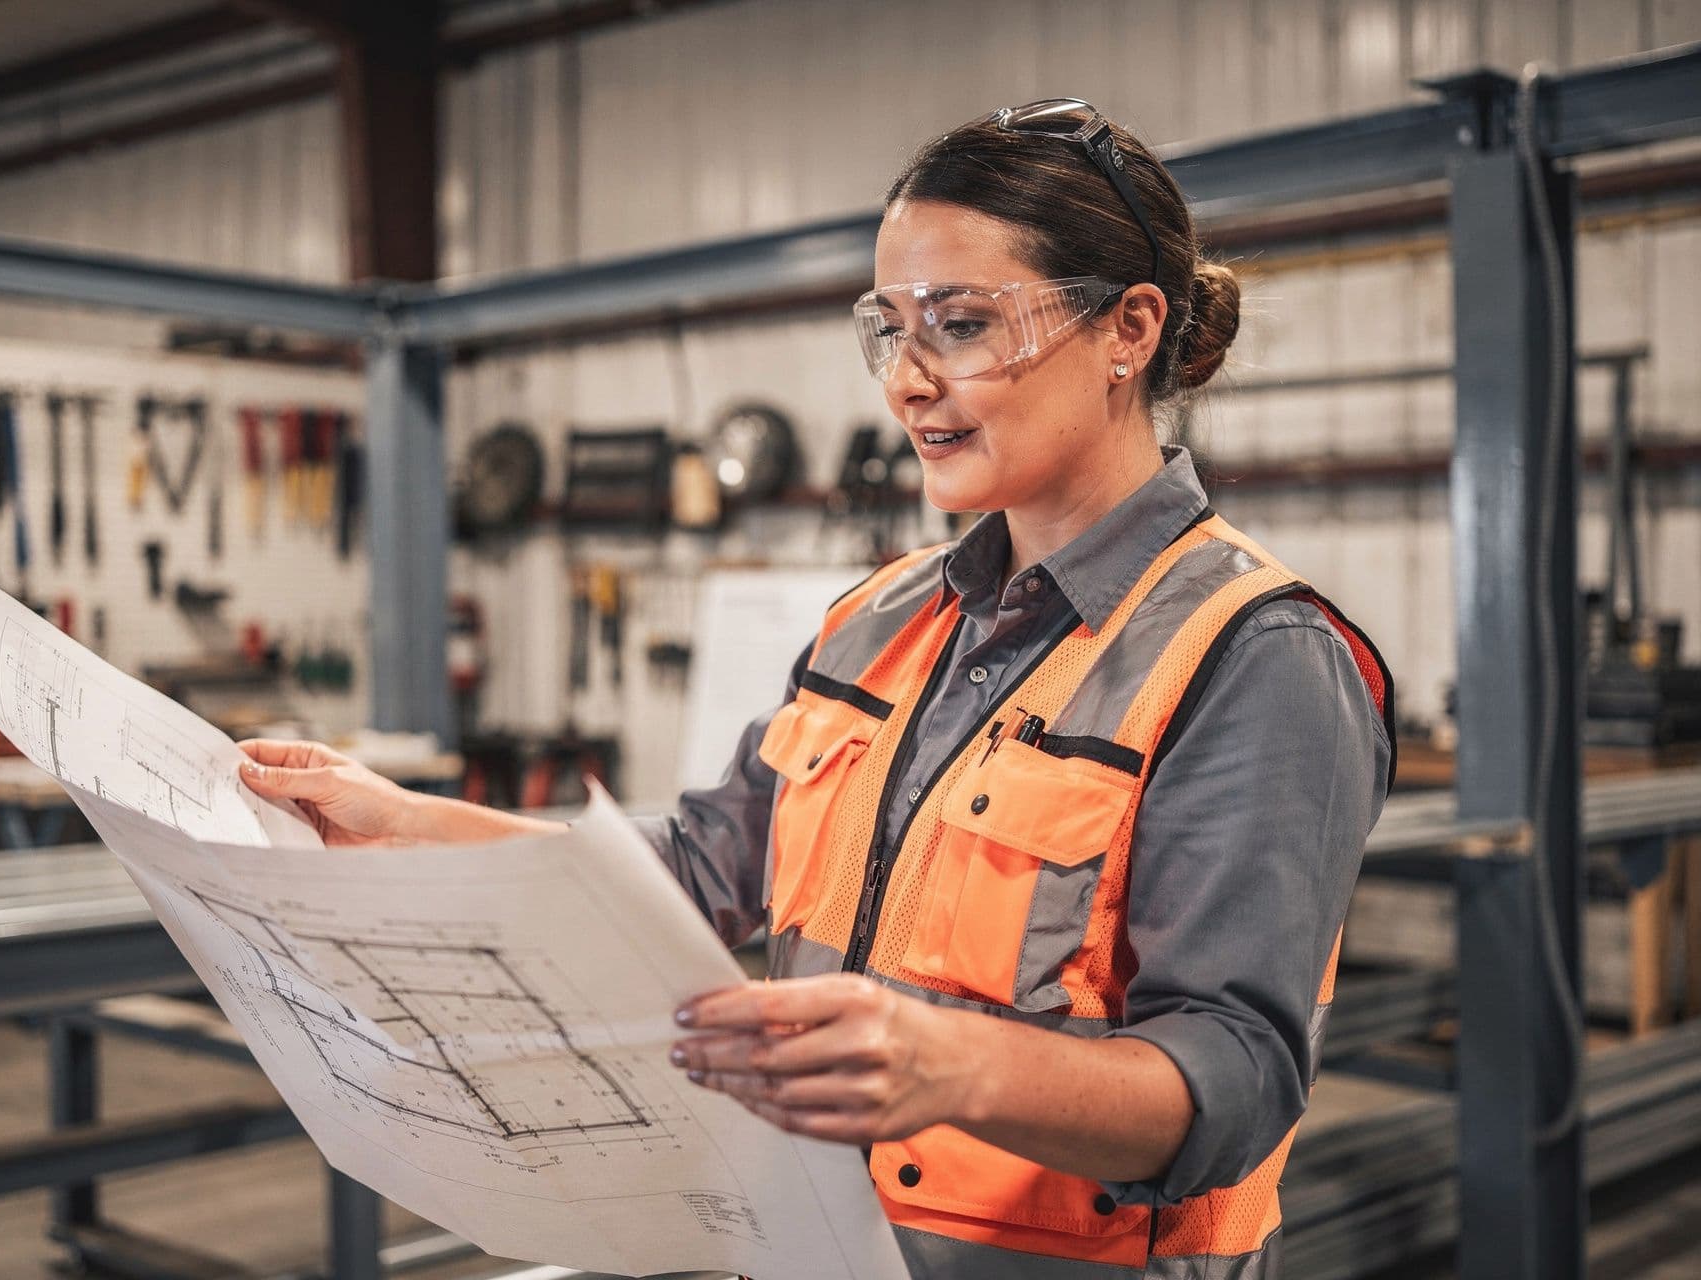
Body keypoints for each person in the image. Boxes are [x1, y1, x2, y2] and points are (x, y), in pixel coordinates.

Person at [239, 98, 1395, 1280]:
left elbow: (1239, 1075)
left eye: (960, 324)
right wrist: (410, 823)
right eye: (889, 329)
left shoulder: (1252, 654)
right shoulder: (879, 622)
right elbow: (703, 866)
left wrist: (947, 1064)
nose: (908, 382)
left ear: (1129, 330)